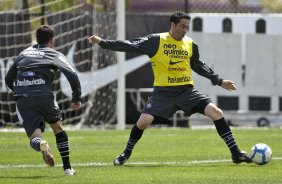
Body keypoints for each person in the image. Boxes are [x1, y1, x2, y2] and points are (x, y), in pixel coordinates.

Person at [88, 12, 252, 166]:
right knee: (143, 122)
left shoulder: (190, 44)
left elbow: (198, 65)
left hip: (187, 92)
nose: (185, 30)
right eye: (182, 26)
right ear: (172, 25)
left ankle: (236, 153)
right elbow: (131, 45)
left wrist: (219, 81)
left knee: (217, 113)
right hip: (163, 93)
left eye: (187, 27)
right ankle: (126, 153)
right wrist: (103, 43)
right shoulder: (156, 41)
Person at [5, 25, 81, 176]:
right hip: (44, 96)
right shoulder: (54, 54)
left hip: (24, 97)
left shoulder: (24, 53)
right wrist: (76, 98)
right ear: (52, 40)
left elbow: (8, 78)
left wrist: (21, 91)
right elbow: (72, 75)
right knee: (58, 128)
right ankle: (67, 169)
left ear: (36, 38)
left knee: (34, 137)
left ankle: (41, 144)